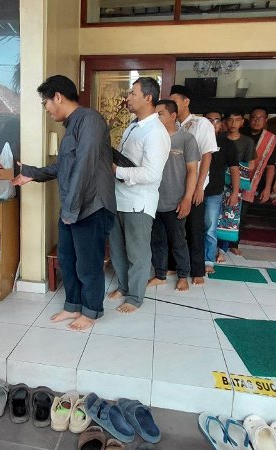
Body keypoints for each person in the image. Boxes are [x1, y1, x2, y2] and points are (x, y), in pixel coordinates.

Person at [12, 75, 116, 331]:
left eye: (45, 102)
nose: (46, 109)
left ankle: (91, 311)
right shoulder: (71, 126)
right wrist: (31, 172)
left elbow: (85, 166)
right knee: (68, 260)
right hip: (73, 207)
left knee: (88, 264)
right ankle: (73, 305)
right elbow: (64, 167)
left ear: (57, 96)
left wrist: (71, 209)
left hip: (91, 207)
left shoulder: (90, 120)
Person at [108, 77, 170, 313]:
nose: (128, 98)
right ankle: (124, 287)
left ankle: (135, 297)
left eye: (133, 93)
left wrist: (117, 170)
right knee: (118, 249)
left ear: (148, 97)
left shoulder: (155, 132)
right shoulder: (133, 126)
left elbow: (152, 174)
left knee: (137, 252)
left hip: (138, 202)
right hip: (119, 197)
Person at [148, 99, 199, 291]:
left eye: (160, 114)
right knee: (157, 240)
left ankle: (183, 275)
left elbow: (192, 171)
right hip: (152, 200)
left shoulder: (186, 139)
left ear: (173, 116)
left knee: (178, 241)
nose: (156, 118)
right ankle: (160, 275)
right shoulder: (152, 138)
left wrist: (187, 198)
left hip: (176, 201)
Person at [169, 85, 216, 285]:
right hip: (174, 185)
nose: (172, 105)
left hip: (194, 185)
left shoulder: (201, 123)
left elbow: (207, 156)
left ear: (186, 101)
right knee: (175, 229)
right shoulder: (171, 124)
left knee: (195, 228)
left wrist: (198, 187)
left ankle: (197, 270)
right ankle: (174, 266)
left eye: (175, 101)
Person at [207, 110, 254, 265]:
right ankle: (208, 252)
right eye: (230, 120)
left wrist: (235, 189)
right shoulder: (211, 139)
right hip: (212, 184)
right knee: (211, 220)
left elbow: (248, 166)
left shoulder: (245, 142)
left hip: (231, 184)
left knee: (227, 218)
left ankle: (221, 250)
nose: (233, 123)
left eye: (237, 120)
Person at [230, 107, 276, 256]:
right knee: (226, 211)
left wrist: (268, 188)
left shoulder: (270, 140)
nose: (256, 120)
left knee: (242, 214)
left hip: (250, 183)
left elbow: (270, 166)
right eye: (253, 117)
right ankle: (221, 244)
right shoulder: (239, 133)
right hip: (230, 179)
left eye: (260, 118)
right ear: (248, 119)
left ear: (266, 120)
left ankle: (234, 243)